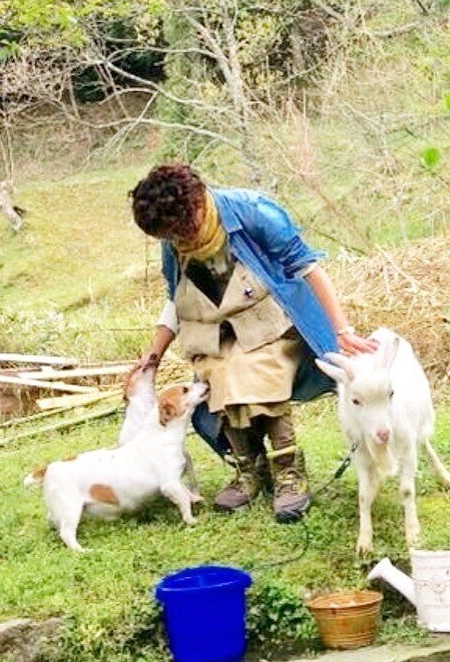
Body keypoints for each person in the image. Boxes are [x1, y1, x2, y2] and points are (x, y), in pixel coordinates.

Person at [129, 162, 376, 523]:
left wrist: (342, 330)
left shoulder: (251, 212)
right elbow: (174, 298)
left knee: (258, 375)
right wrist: (154, 353)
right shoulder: (174, 244)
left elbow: (307, 266)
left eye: (184, 229)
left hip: (272, 327)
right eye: (170, 235)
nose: (181, 239)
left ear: (198, 202)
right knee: (217, 381)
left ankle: (289, 472)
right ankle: (250, 470)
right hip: (212, 335)